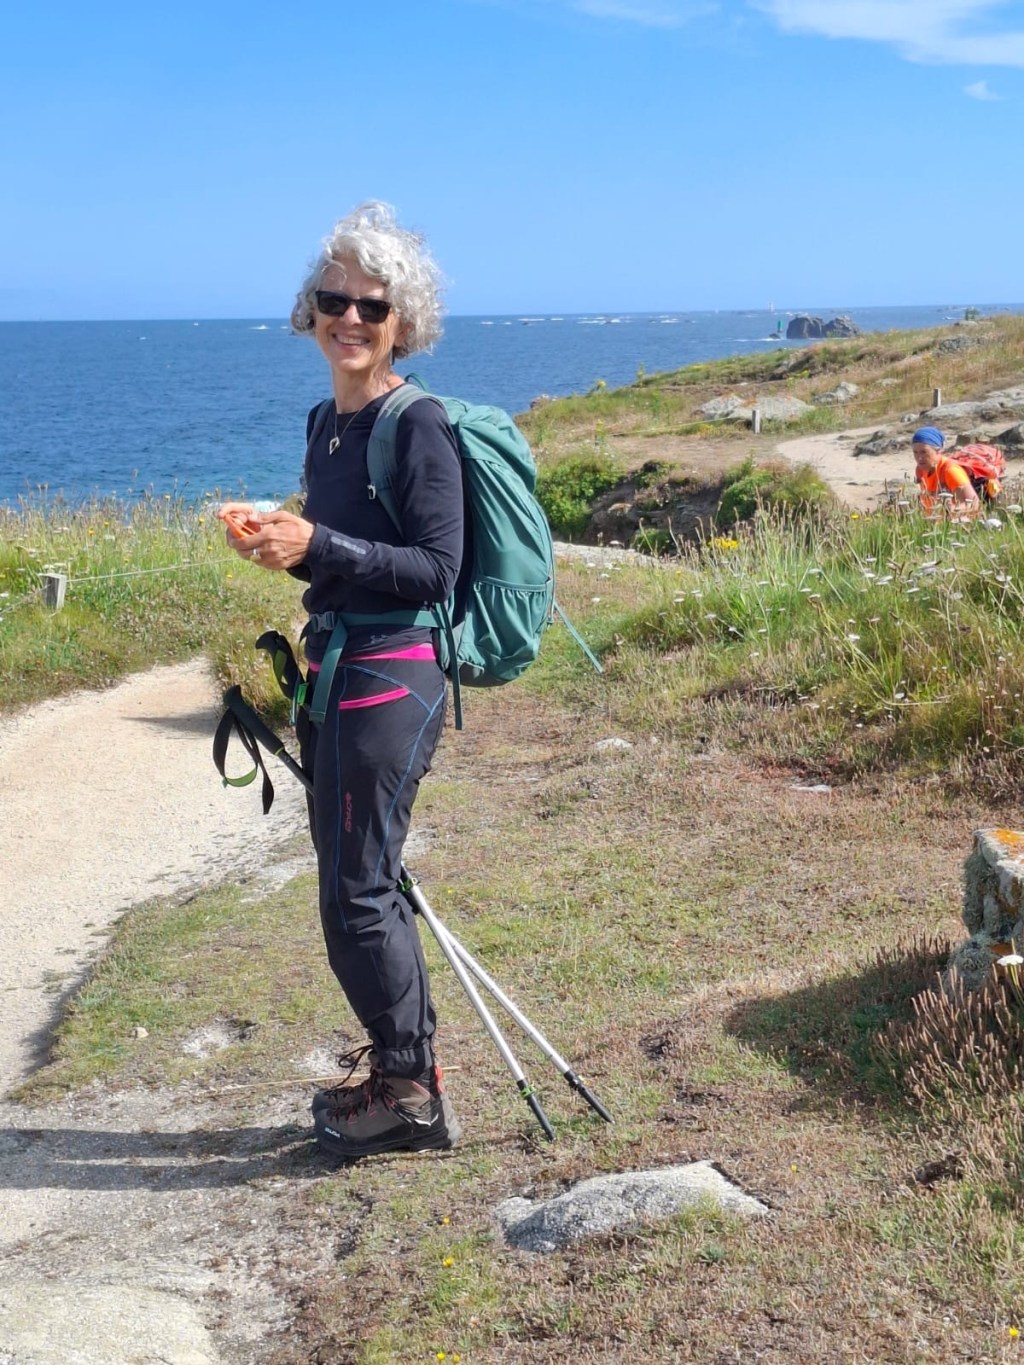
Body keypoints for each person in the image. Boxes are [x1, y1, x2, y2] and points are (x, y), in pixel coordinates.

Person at [218, 202, 463, 1160]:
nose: (349, 318)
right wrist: (284, 547)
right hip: (337, 667)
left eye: (372, 304)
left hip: (394, 675)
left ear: (403, 319)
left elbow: (436, 571)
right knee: (351, 884)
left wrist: (319, 541)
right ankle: (405, 1071)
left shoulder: (419, 424)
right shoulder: (326, 421)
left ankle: (410, 1093)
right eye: (334, 299)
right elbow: (347, 557)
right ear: (311, 310)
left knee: (359, 888)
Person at [912, 426, 980, 519]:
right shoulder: (920, 470)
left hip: (958, 525)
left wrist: (950, 511)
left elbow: (974, 504)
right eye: (915, 452)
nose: (919, 458)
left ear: (938, 450)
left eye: (924, 452)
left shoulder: (950, 470)